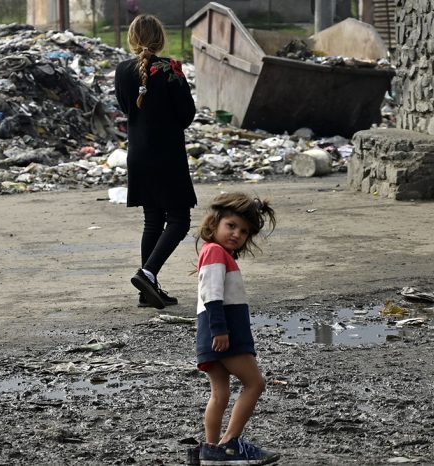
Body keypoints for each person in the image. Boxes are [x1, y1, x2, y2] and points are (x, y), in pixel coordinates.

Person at [114, 15, 197, 310]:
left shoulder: (122, 70)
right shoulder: (170, 70)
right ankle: (147, 274)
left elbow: (126, 108)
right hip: (167, 155)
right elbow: (187, 114)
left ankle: (148, 291)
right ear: (160, 39)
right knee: (179, 219)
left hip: (138, 154)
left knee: (153, 220)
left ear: (132, 38)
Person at [193, 192, 280, 465]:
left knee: (220, 393)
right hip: (224, 332)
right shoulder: (216, 252)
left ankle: (210, 450)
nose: (236, 234)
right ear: (215, 222)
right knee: (255, 383)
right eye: (231, 226)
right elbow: (212, 295)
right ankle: (229, 443)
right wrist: (221, 330)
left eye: (243, 231)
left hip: (211, 333)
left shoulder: (215, 253)